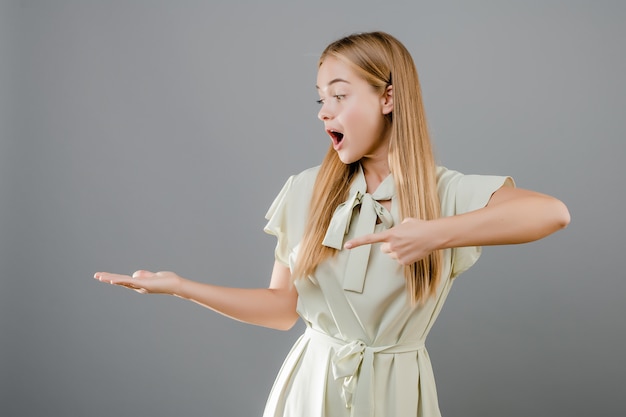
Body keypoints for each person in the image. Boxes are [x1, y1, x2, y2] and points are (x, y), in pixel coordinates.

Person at [94, 31, 570, 417]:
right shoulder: (305, 190)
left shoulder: (442, 193)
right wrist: (181, 286)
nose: (324, 111)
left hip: (397, 395)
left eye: (339, 96)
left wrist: (434, 232)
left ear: (388, 97)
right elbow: (282, 310)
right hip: (309, 391)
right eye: (321, 99)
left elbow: (551, 213)